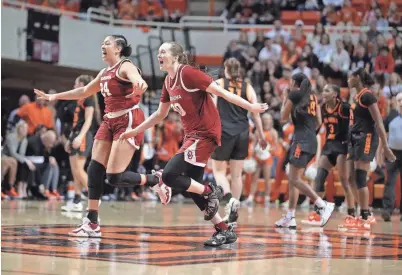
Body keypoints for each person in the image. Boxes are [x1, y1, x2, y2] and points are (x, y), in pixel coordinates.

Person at [120, 42, 268, 246]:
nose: (159, 55)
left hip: (205, 133)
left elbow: (222, 93)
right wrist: (135, 130)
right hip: (192, 135)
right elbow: (159, 114)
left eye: (163, 52)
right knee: (192, 186)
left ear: (176, 56)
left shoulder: (188, 73)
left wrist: (251, 106)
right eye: (159, 52)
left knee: (171, 175)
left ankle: (211, 191)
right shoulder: (168, 81)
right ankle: (223, 230)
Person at [34, 35, 171, 238]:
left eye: (107, 43)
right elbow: (84, 90)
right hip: (109, 121)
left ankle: (155, 179)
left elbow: (136, 78)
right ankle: (92, 222)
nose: (103, 45)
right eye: (103, 42)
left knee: (114, 177)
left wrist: (139, 83)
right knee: (94, 169)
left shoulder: (125, 66)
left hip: (128, 119)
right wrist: (55, 96)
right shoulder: (104, 72)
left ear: (118, 49)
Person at [275, 73, 335, 229]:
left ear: (294, 82)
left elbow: (282, 117)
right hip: (311, 140)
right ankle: (290, 216)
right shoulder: (313, 97)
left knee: (294, 178)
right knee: (294, 177)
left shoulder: (294, 94)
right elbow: (319, 122)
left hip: (301, 140)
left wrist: (285, 97)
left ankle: (322, 205)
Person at [211, 57, 266, 225]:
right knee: (236, 175)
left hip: (224, 130)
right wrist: (262, 136)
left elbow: (212, 108)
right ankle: (234, 210)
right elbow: (255, 112)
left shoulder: (219, 83)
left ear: (226, 70)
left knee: (218, 172)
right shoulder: (248, 87)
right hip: (243, 132)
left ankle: (229, 201)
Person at [346, 68, 396, 230]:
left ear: (357, 78)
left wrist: (385, 147)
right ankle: (360, 212)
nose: (347, 80)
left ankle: (366, 214)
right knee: (350, 178)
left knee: (360, 177)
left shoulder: (368, 96)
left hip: (366, 137)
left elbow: (379, 122)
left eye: (350, 77)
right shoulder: (356, 96)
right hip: (354, 138)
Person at [301, 84, 356, 226]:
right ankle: (319, 212)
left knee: (344, 181)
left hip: (342, 146)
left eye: (327, 90)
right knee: (318, 179)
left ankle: (352, 214)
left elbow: (354, 126)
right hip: (329, 145)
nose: (323, 93)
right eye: (323, 90)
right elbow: (318, 126)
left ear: (335, 94)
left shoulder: (344, 107)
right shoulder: (323, 108)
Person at [61, 75, 95, 212]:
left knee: (79, 170)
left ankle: (94, 197)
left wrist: (80, 136)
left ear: (82, 84)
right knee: (75, 172)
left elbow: (88, 121)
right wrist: (70, 138)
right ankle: (76, 201)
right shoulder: (79, 100)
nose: (74, 86)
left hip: (83, 136)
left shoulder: (89, 99)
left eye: (76, 84)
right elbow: (76, 123)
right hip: (75, 135)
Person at [380, 92, 402, 222]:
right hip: (392, 152)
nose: (401, 103)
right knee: (389, 182)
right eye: (399, 100)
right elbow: (383, 134)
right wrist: (380, 152)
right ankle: (387, 210)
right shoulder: (391, 115)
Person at [3, 120, 33, 199]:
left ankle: (22, 187)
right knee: (16, 162)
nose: (24, 130)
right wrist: (24, 160)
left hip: (15, 159)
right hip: (5, 156)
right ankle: (10, 187)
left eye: (26, 128)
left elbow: (22, 154)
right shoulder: (11, 137)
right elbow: (12, 153)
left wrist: (27, 161)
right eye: (23, 128)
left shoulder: (24, 140)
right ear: (18, 128)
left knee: (27, 165)